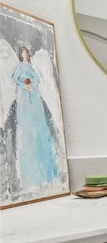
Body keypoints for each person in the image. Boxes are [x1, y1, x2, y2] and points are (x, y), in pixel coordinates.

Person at [11, 45, 58, 189]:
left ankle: (47, 174)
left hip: (34, 98)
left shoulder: (30, 66)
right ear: (20, 54)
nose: (24, 54)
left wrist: (32, 86)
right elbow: (14, 79)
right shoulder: (20, 66)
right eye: (22, 53)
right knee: (28, 132)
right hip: (24, 99)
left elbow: (37, 79)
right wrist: (24, 86)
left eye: (26, 52)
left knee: (39, 130)